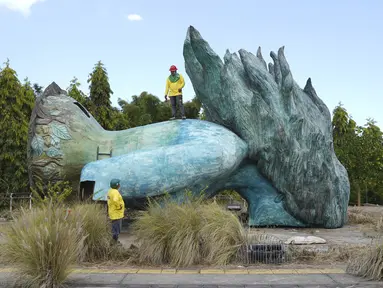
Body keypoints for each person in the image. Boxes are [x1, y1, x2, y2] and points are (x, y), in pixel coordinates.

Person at [107, 178, 125, 243]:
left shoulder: (110, 191)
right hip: (116, 214)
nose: (120, 185)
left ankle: (114, 240)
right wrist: (119, 206)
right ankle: (114, 241)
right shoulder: (115, 192)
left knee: (114, 227)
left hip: (113, 212)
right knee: (117, 228)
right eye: (119, 184)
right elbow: (115, 200)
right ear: (117, 185)